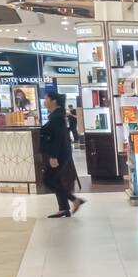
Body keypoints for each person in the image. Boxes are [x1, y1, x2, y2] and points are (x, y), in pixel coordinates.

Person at [39, 87, 85, 218]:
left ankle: (74, 200)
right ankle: (64, 208)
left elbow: (57, 138)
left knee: (48, 179)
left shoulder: (57, 116)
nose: (44, 101)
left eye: (46, 99)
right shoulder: (56, 115)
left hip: (59, 154)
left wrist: (53, 156)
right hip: (61, 153)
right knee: (55, 179)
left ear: (53, 101)